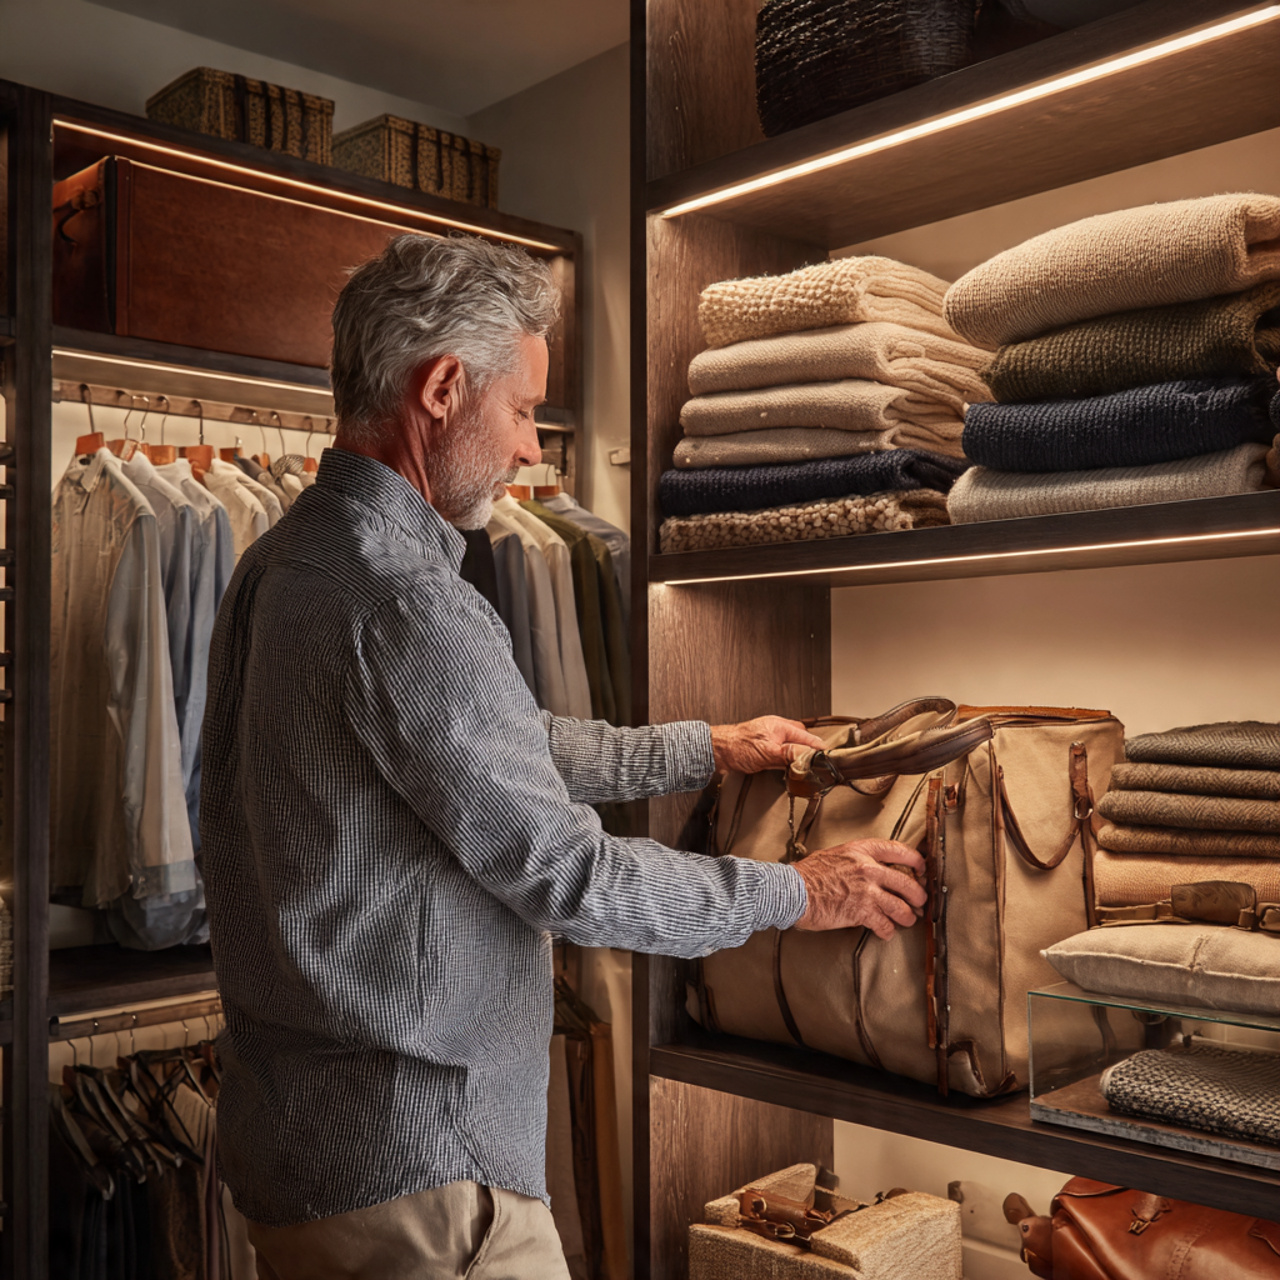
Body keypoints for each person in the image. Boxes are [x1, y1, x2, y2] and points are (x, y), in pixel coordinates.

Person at [201, 233, 927, 1280]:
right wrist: (795, 892)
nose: (533, 450)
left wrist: (703, 748)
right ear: (442, 388)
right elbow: (569, 874)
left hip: (302, 1151)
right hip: (426, 1177)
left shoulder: (282, 564)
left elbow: (480, 751)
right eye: (523, 410)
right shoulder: (409, 601)